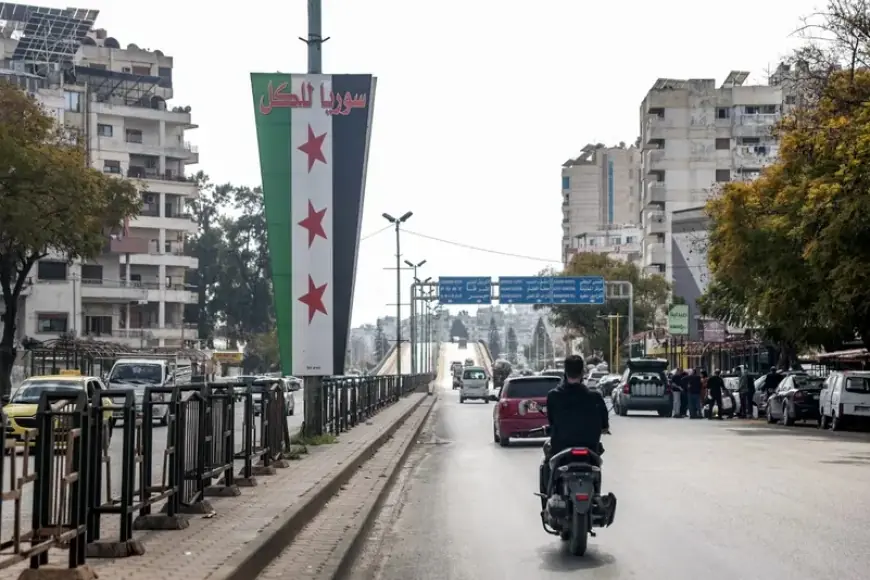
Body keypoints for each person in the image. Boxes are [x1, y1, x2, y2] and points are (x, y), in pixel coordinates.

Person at [540, 355, 610, 507]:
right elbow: (605, 422)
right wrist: (603, 428)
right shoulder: (595, 397)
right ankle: (596, 495)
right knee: (596, 467)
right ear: (583, 373)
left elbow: (551, 420)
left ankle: (547, 499)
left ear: (565, 372)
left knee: (546, 465)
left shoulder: (554, 396)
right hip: (589, 448)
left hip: (561, 448)